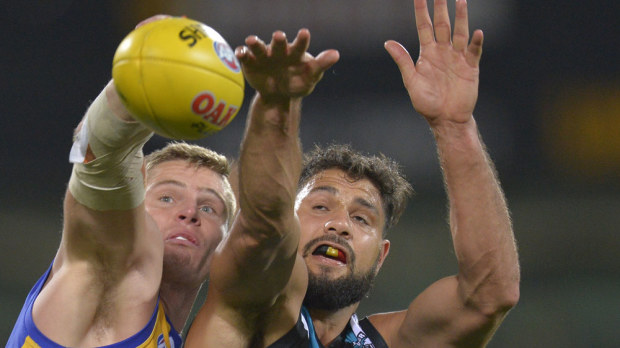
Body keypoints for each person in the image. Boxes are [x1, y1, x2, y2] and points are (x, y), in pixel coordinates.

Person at [185, 0, 520, 347]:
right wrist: (277, 104)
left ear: (380, 257)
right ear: (289, 226)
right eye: (319, 207)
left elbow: (489, 296)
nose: (339, 224)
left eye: (362, 219)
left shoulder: (394, 341)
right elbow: (263, 225)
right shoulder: (244, 310)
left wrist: (454, 126)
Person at [7, 21, 237, 348]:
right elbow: (98, 157)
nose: (189, 213)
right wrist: (140, 74)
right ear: (133, 206)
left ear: (225, 244)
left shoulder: (185, 336)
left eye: (208, 207)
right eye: (167, 197)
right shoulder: (96, 276)